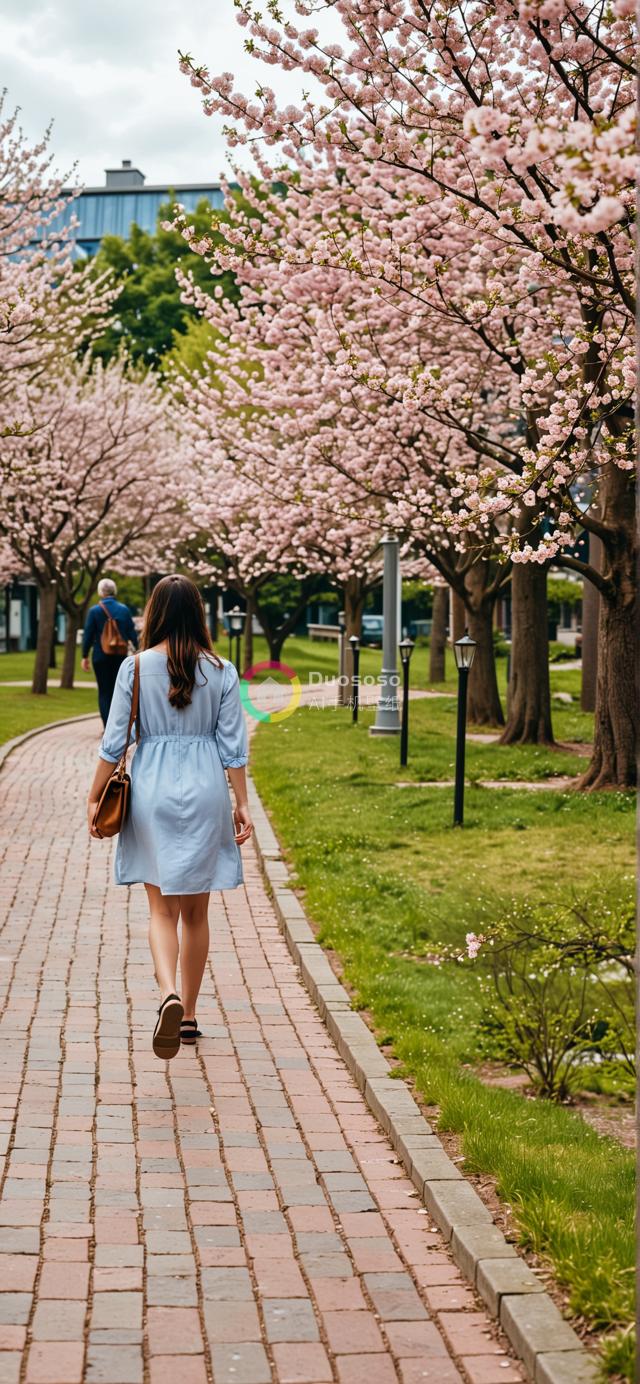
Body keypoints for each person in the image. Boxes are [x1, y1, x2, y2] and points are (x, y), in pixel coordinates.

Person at [86, 575, 252, 1059]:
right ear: (199, 613)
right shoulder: (222, 671)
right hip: (205, 788)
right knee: (196, 913)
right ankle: (191, 1016)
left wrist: (94, 796)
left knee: (161, 909)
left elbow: (114, 741)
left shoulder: (135, 668)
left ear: (154, 614)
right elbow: (233, 748)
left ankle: (167, 995)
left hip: (153, 788)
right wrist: (241, 803)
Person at [82, 578, 139, 727]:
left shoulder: (94, 611)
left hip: (100, 655)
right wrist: (138, 649)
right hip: (119, 655)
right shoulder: (124, 609)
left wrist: (84, 656)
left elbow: (88, 634)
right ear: (115, 591)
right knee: (118, 691)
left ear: (101, 592)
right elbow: (131, 632)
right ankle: (118, 725)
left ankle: (107, 726)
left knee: (104, 691)